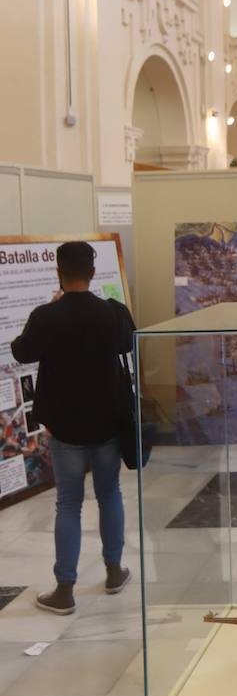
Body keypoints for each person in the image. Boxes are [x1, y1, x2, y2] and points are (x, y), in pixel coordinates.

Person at [11, 241, 134, 615]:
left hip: (65, 427)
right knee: (109, 493)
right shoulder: (112, 312)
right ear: (93, 274)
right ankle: (114, 572)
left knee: (69, 504)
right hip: (107, 422)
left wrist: (49, 309)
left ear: (58, 273)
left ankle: (65, 590)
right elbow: (128, 342)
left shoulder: (47, 315)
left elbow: (21, 351)